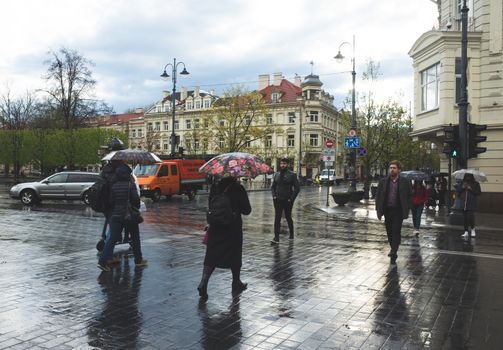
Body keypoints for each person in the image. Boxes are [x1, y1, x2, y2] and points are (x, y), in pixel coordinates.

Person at [197, 175, 251, 299]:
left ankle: (203, 282)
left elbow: (211, 205)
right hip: (233, 228)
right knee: (235, 256)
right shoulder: (238, 188)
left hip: (216, 227)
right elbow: (247, 210)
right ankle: (236, 282)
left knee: (211, 256)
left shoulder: (215, 186)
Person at [98, 165, 147, 272]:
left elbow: (111, 201)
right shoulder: (131, 185)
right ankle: (138, 261)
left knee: (112, 239)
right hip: (129, 216)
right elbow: (136, 201)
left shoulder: (114, 186)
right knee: (135, 238)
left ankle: (102, 261)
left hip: (116, 216)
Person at [375, 160, 412, 264]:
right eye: (391, 168)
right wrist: (378, 209)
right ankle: (393, 248)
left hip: (398, 210)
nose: (392, 169)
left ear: (398, 170)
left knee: (396, 230)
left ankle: (393, 251)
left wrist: (407, 206)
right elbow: (378, 196)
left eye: (394, 168)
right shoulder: (383, 181)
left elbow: (410, 195)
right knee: (389, 231)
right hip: (387, 210)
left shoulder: (405, 181)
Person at [270, 158, 300, 244]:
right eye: (281, 163)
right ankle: (276, 237)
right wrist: (274, 196)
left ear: (287, 165)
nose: (282, 165)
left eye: (284, 164)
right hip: (278, 199)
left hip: (288, 200)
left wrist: (291, 198)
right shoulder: (276, 174)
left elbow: (297, 188)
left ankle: (291, 233)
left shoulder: (292, 175)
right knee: (277, 217)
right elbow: (273, 187)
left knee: (288, 216)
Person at [456, 173, 481, 239]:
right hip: (463, 203)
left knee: (470, 217)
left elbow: (478, 192)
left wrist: (471, 189)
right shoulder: (462, 183)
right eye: (466, 176)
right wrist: (462, 188)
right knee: (465, 218)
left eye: (469, 177)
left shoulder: (476, 183)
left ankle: (473, 229)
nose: (468, 178)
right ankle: (466, 231)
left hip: (471, 203)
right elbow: (458, 192)